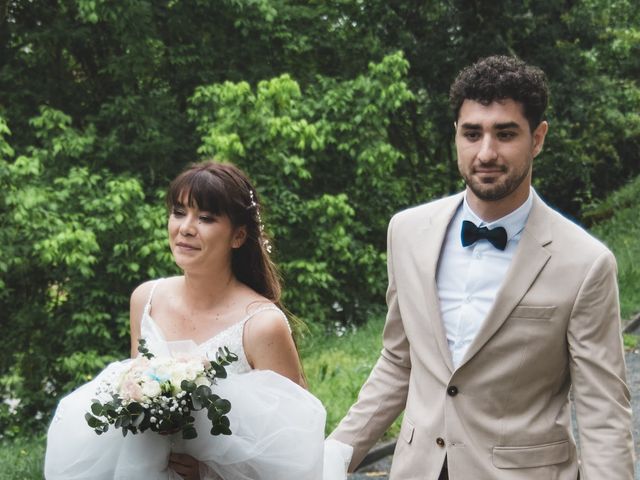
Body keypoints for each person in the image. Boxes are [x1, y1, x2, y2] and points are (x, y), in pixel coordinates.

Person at [329, 55, 635, 479]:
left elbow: (603, 407)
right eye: (472, 133)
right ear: (456, 134)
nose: (486, 152)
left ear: (538, 138)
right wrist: (333, 456)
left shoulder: (586, 263)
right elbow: (400, 361)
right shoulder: (407, 232)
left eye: (505, 134)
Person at [45, 161, 352, 479]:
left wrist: (209, 473)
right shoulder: (146, 300)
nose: (186, 227)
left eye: (205, 218)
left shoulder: (261, 325)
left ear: (238, 236)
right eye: (179, 212)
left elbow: (295, 453)